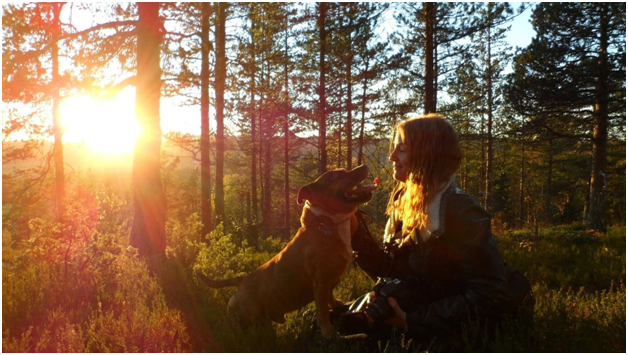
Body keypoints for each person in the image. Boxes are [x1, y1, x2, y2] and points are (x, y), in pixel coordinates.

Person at [336, 114, 517, 349]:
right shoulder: (406, 199)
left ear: (427, 154)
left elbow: (489, 292)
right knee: (328, 324)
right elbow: (392, 269)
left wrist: (413, 321)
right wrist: (356, 231)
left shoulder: (460, 211)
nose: (392, 157)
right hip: (419, 318)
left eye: (401, 150)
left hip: (448, 329)